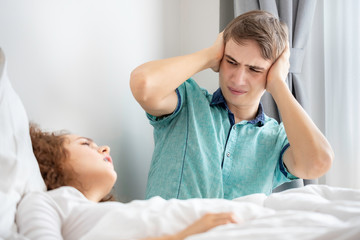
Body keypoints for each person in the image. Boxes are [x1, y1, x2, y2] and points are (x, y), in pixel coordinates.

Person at [130, 10, 334, 200]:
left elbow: (319, 162)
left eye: (254, 69)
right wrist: (210, 55)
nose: (238, 79)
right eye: (231, 62)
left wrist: (279, 84)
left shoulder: (276, 140)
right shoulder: (187, 103)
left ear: (272, 72)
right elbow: (143, 84)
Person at [15, 124, 236, 240]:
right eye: (85, 144)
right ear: (52, 162)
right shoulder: (45, 201)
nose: (104, 148)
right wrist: (180, 237)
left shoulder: (100, 213)